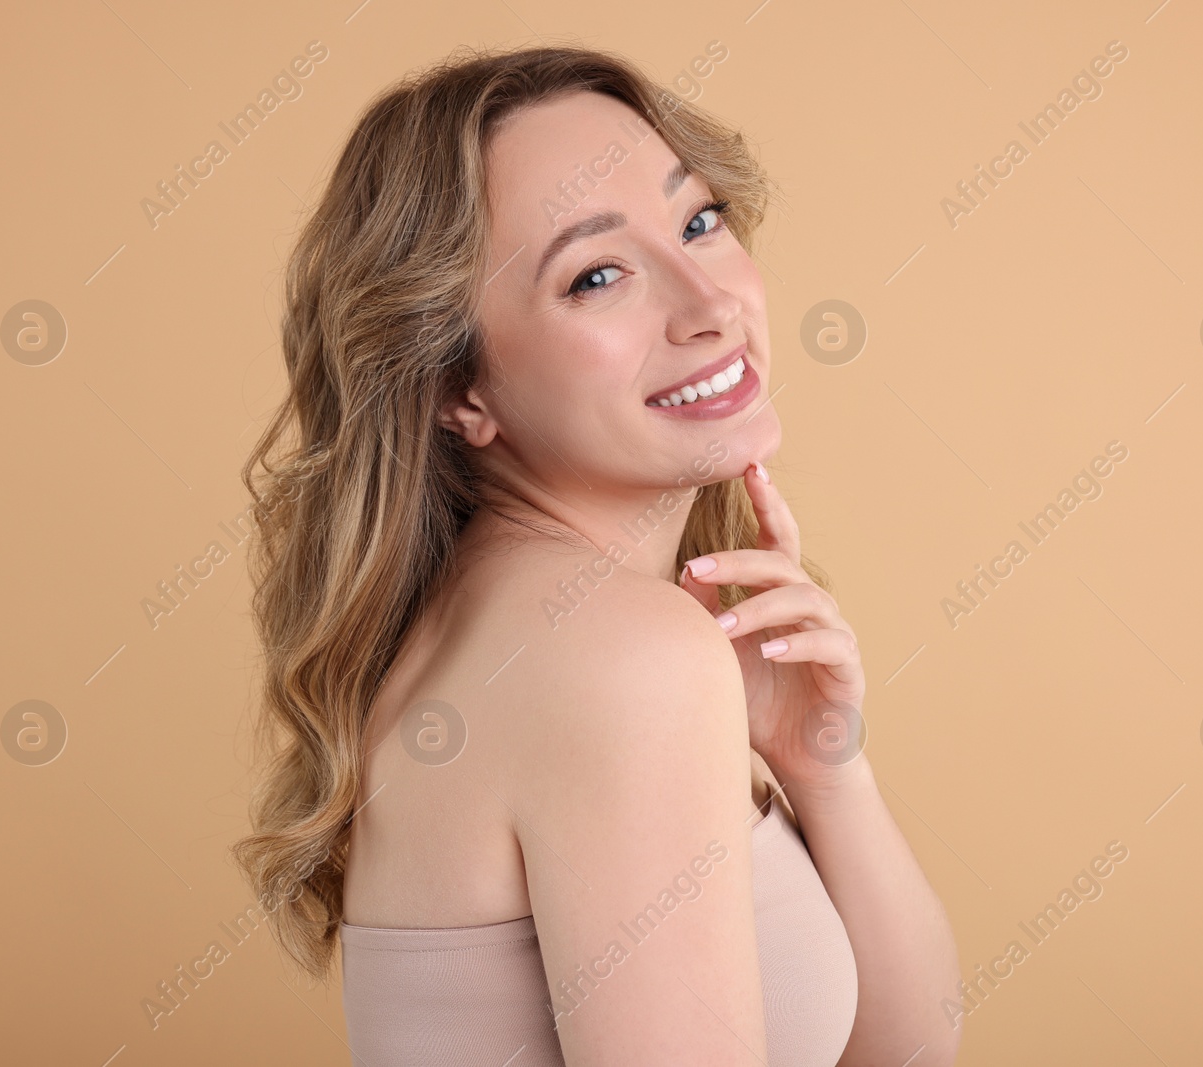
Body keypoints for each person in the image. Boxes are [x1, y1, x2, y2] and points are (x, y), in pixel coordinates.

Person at [231, 42, 961, 1066]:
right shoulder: (616, 652)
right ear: (457, 390)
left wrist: (822, 767)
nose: (709, 306)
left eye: (698, 221)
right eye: (596, 275)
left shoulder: (530, 625)